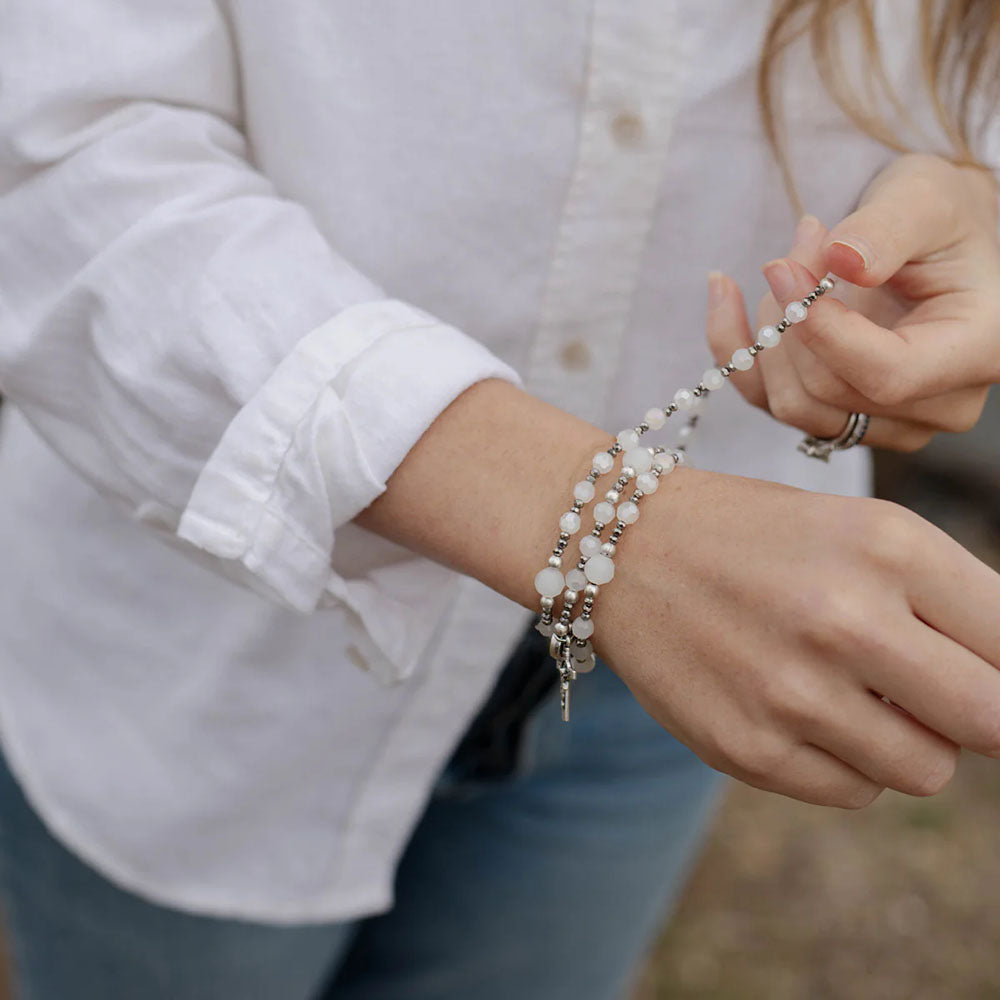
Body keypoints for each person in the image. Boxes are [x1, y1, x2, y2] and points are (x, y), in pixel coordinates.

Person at [0, 1, 998, 997]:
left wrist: (975, 201)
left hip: (668, 671)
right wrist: (613, 525)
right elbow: (61, 147)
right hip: (216, 656)